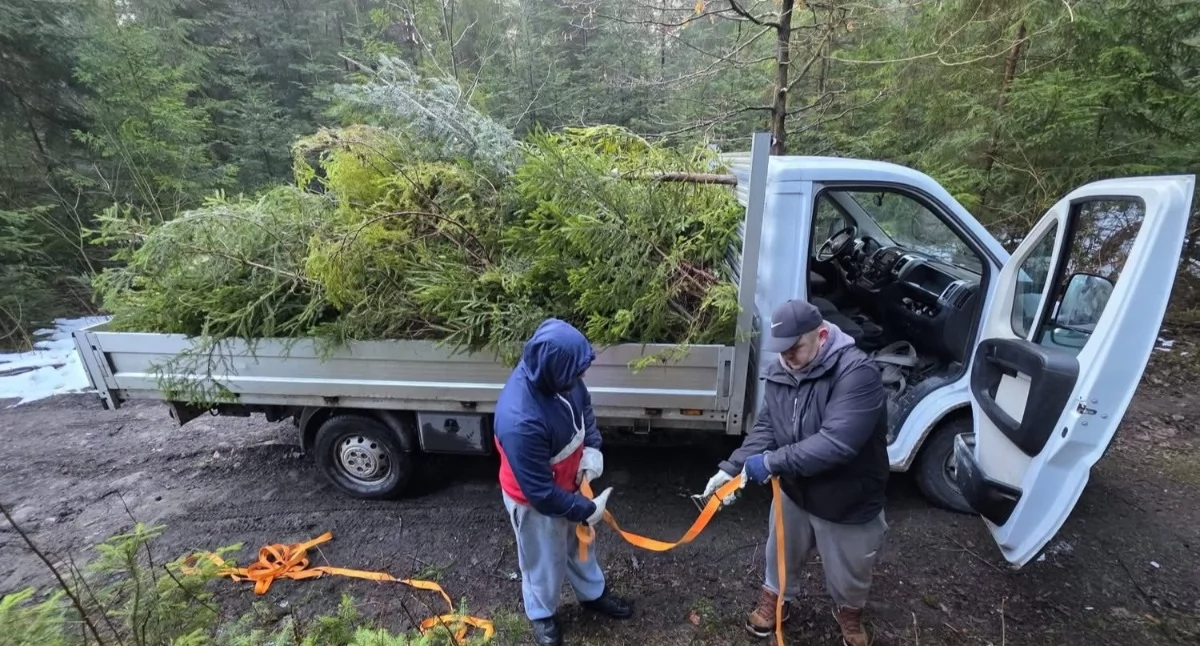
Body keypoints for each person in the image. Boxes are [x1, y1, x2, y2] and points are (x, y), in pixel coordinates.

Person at [701, 299, 889, 646]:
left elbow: (838, 443)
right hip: (794, 489)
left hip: (847, 495)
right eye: (781, 351)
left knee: (851, 570)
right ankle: (776, 597)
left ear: (820, 335)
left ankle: (849, 612)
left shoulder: (856, 373)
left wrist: (770, 464)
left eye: (794, 349)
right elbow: (768, 427)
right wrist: (733, 467)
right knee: (781, 551)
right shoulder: (781, 371)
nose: (787, 358)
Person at [494, 318, 634, 646]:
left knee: (582, 545)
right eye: (577, 372)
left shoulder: (560, 377)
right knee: (543, 558)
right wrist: (584, 507)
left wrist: (592, 450)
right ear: (554, 370)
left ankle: (592, 593)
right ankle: (542, 613)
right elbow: (540, 494)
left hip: (569, 484)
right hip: (534, 502)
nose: (582, 377)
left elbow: (584, 407)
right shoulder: (520, 420)